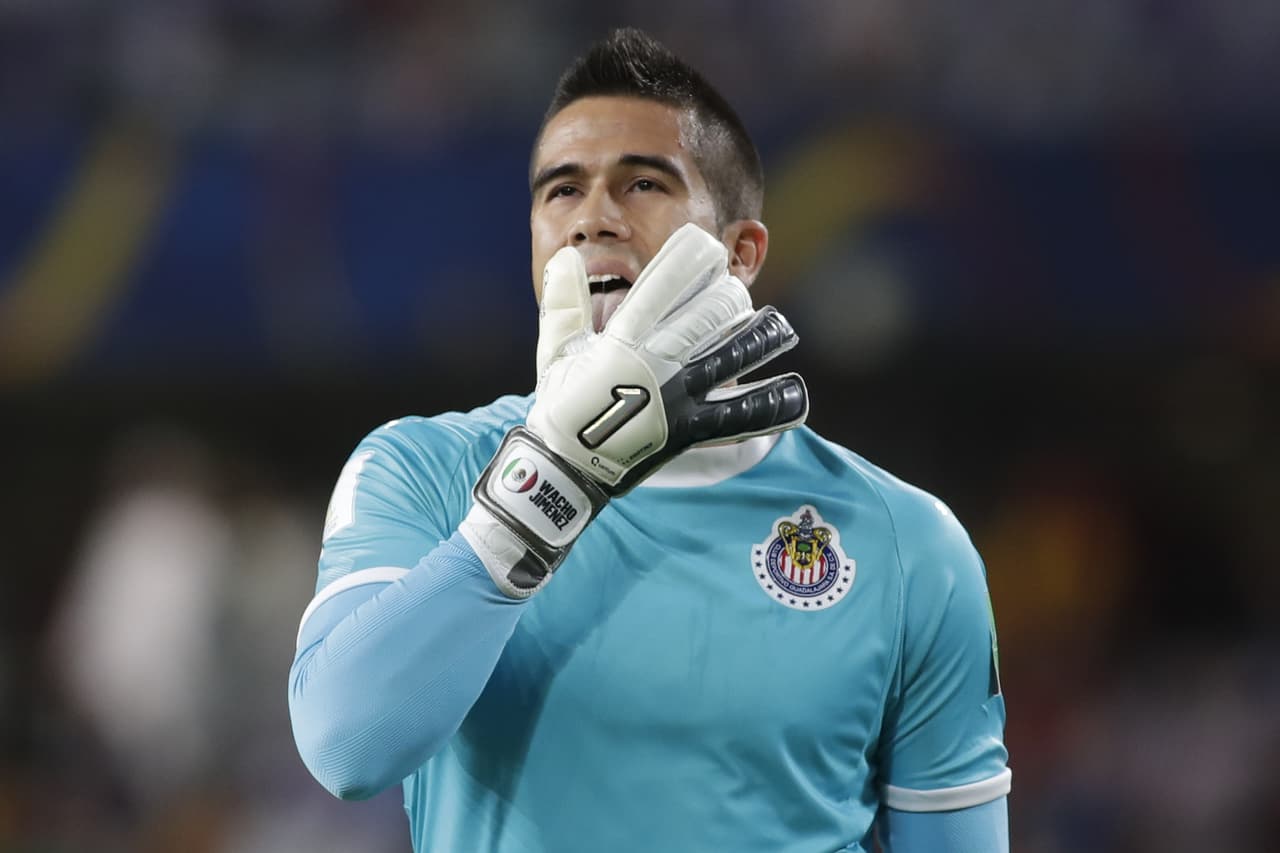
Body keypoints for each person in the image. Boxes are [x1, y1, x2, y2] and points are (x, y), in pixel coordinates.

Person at [289, 27, 1010, 853]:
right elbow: (345, 747)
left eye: (642, 183)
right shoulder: (423, 469)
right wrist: (548, 484)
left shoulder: (909, 542)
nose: (592, 217)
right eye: (561, 191)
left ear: (741, 253)